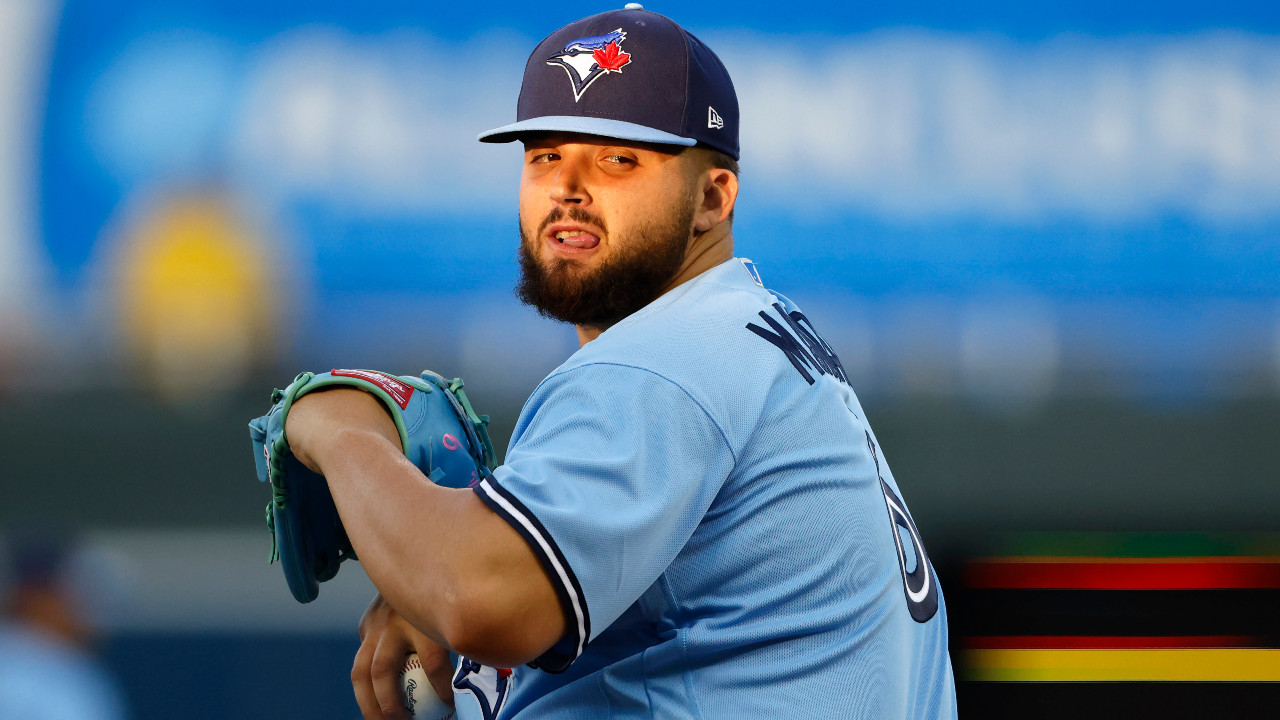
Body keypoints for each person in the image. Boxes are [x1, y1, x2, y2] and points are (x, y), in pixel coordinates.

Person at [283, 5, 957, 719]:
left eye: (617, 159)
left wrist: (341, 432)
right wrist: (430, 569)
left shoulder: (663, 362)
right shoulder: (749, 334)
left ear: (712, 197)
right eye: (545, 155)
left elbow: (478, 598)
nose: (568, 187)